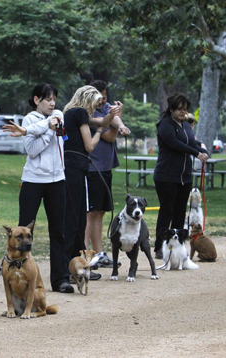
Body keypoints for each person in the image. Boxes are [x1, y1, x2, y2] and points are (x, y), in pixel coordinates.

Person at [4, 83, 74, 293]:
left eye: (54, 99)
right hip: (33, 181)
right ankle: (19, 275)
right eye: (47, 99)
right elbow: (32, 151)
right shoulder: (29, 119)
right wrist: (48, 131)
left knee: (59, 231)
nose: (52, 103)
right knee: (23, 231)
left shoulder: (59, 114)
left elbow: (61, 133)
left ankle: (60, 279)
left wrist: (49, 128)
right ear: (36, 100)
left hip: (57, 181)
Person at [62, 85, 118, 272]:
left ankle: (76, 261)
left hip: (72, 167)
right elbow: (90, 146)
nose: (95, 109)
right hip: (77, 167)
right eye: (94, 104)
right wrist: (100, 133)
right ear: (87, 100)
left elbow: (102, 121)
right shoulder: (79, 113)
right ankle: (76, 262)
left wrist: (113, 114)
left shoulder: (72, 112)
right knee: (78, 217)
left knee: (78, 215)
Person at [153, 93, 209, 259]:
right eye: (179, 109)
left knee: (179, 213)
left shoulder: (185, 125)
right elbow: (175, 144)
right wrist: (196, 152)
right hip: (167, 176)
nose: (183, 112)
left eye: (185, 109)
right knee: (167, 211)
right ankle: (159, 246)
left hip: (184, 176)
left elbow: (190, 142)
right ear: (171, 109)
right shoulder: (165, 124)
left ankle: (176, 247)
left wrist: (202, 149)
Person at [84, 80, 130, 277]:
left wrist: (120, 122)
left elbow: (114, 124)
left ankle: (99, 252)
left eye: (104, 96)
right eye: (99, 96)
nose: (102, 100)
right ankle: (85, 255)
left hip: (105, 168)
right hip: (91, 168)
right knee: (90, 213)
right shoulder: (89, 114)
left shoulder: (105, 110)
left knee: (100, 212)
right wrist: (115, 120)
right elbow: (109, 136)